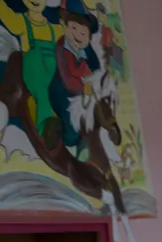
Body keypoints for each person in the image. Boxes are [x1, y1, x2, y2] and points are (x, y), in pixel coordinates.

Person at [0, 0, 65, 135]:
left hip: (50, 72)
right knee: (42, 93)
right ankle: (44, 129)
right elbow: (7, 16)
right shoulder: (22, 22)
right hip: (33, 70)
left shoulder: (54, 29)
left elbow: (69, 33)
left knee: (55, 91)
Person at [48, 0, 101, 160]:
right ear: (64, 26)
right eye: (74, 29)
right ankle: (70, 142)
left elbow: (94, 71)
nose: (78, 35)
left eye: (83, 33)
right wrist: (83, 88)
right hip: (61, 90)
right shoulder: (62, 49)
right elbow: (67, 79)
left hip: (81, 91)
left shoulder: (87, 54)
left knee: (92, 113)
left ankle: (85, 142)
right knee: (71, 117)